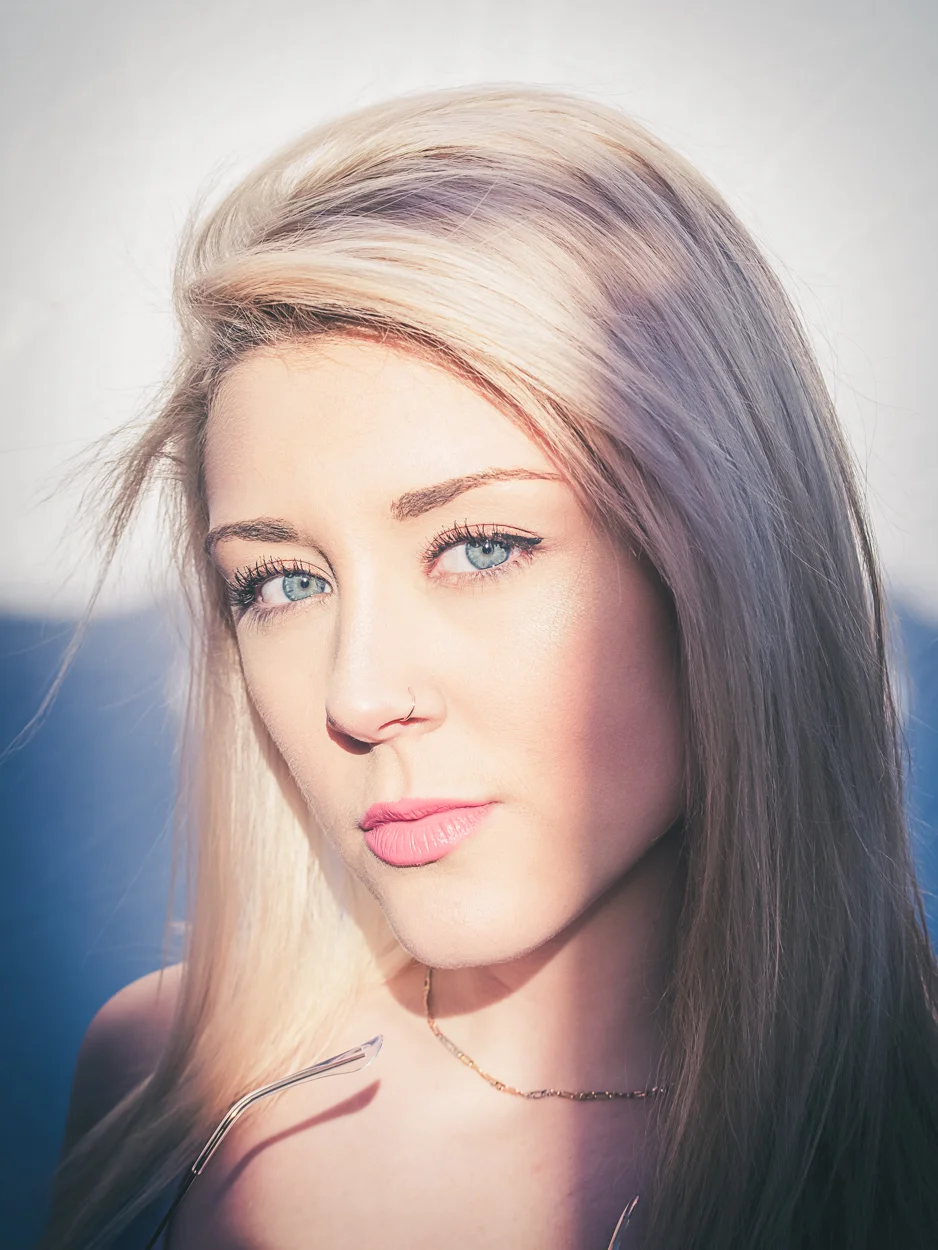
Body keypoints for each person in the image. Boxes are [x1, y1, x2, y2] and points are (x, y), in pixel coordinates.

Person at [41, 85, 938, 1250]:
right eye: (282, 582)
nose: (355, 696)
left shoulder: (900, 1147)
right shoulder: (162, 1079)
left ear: (723, 563)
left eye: (478, 546)